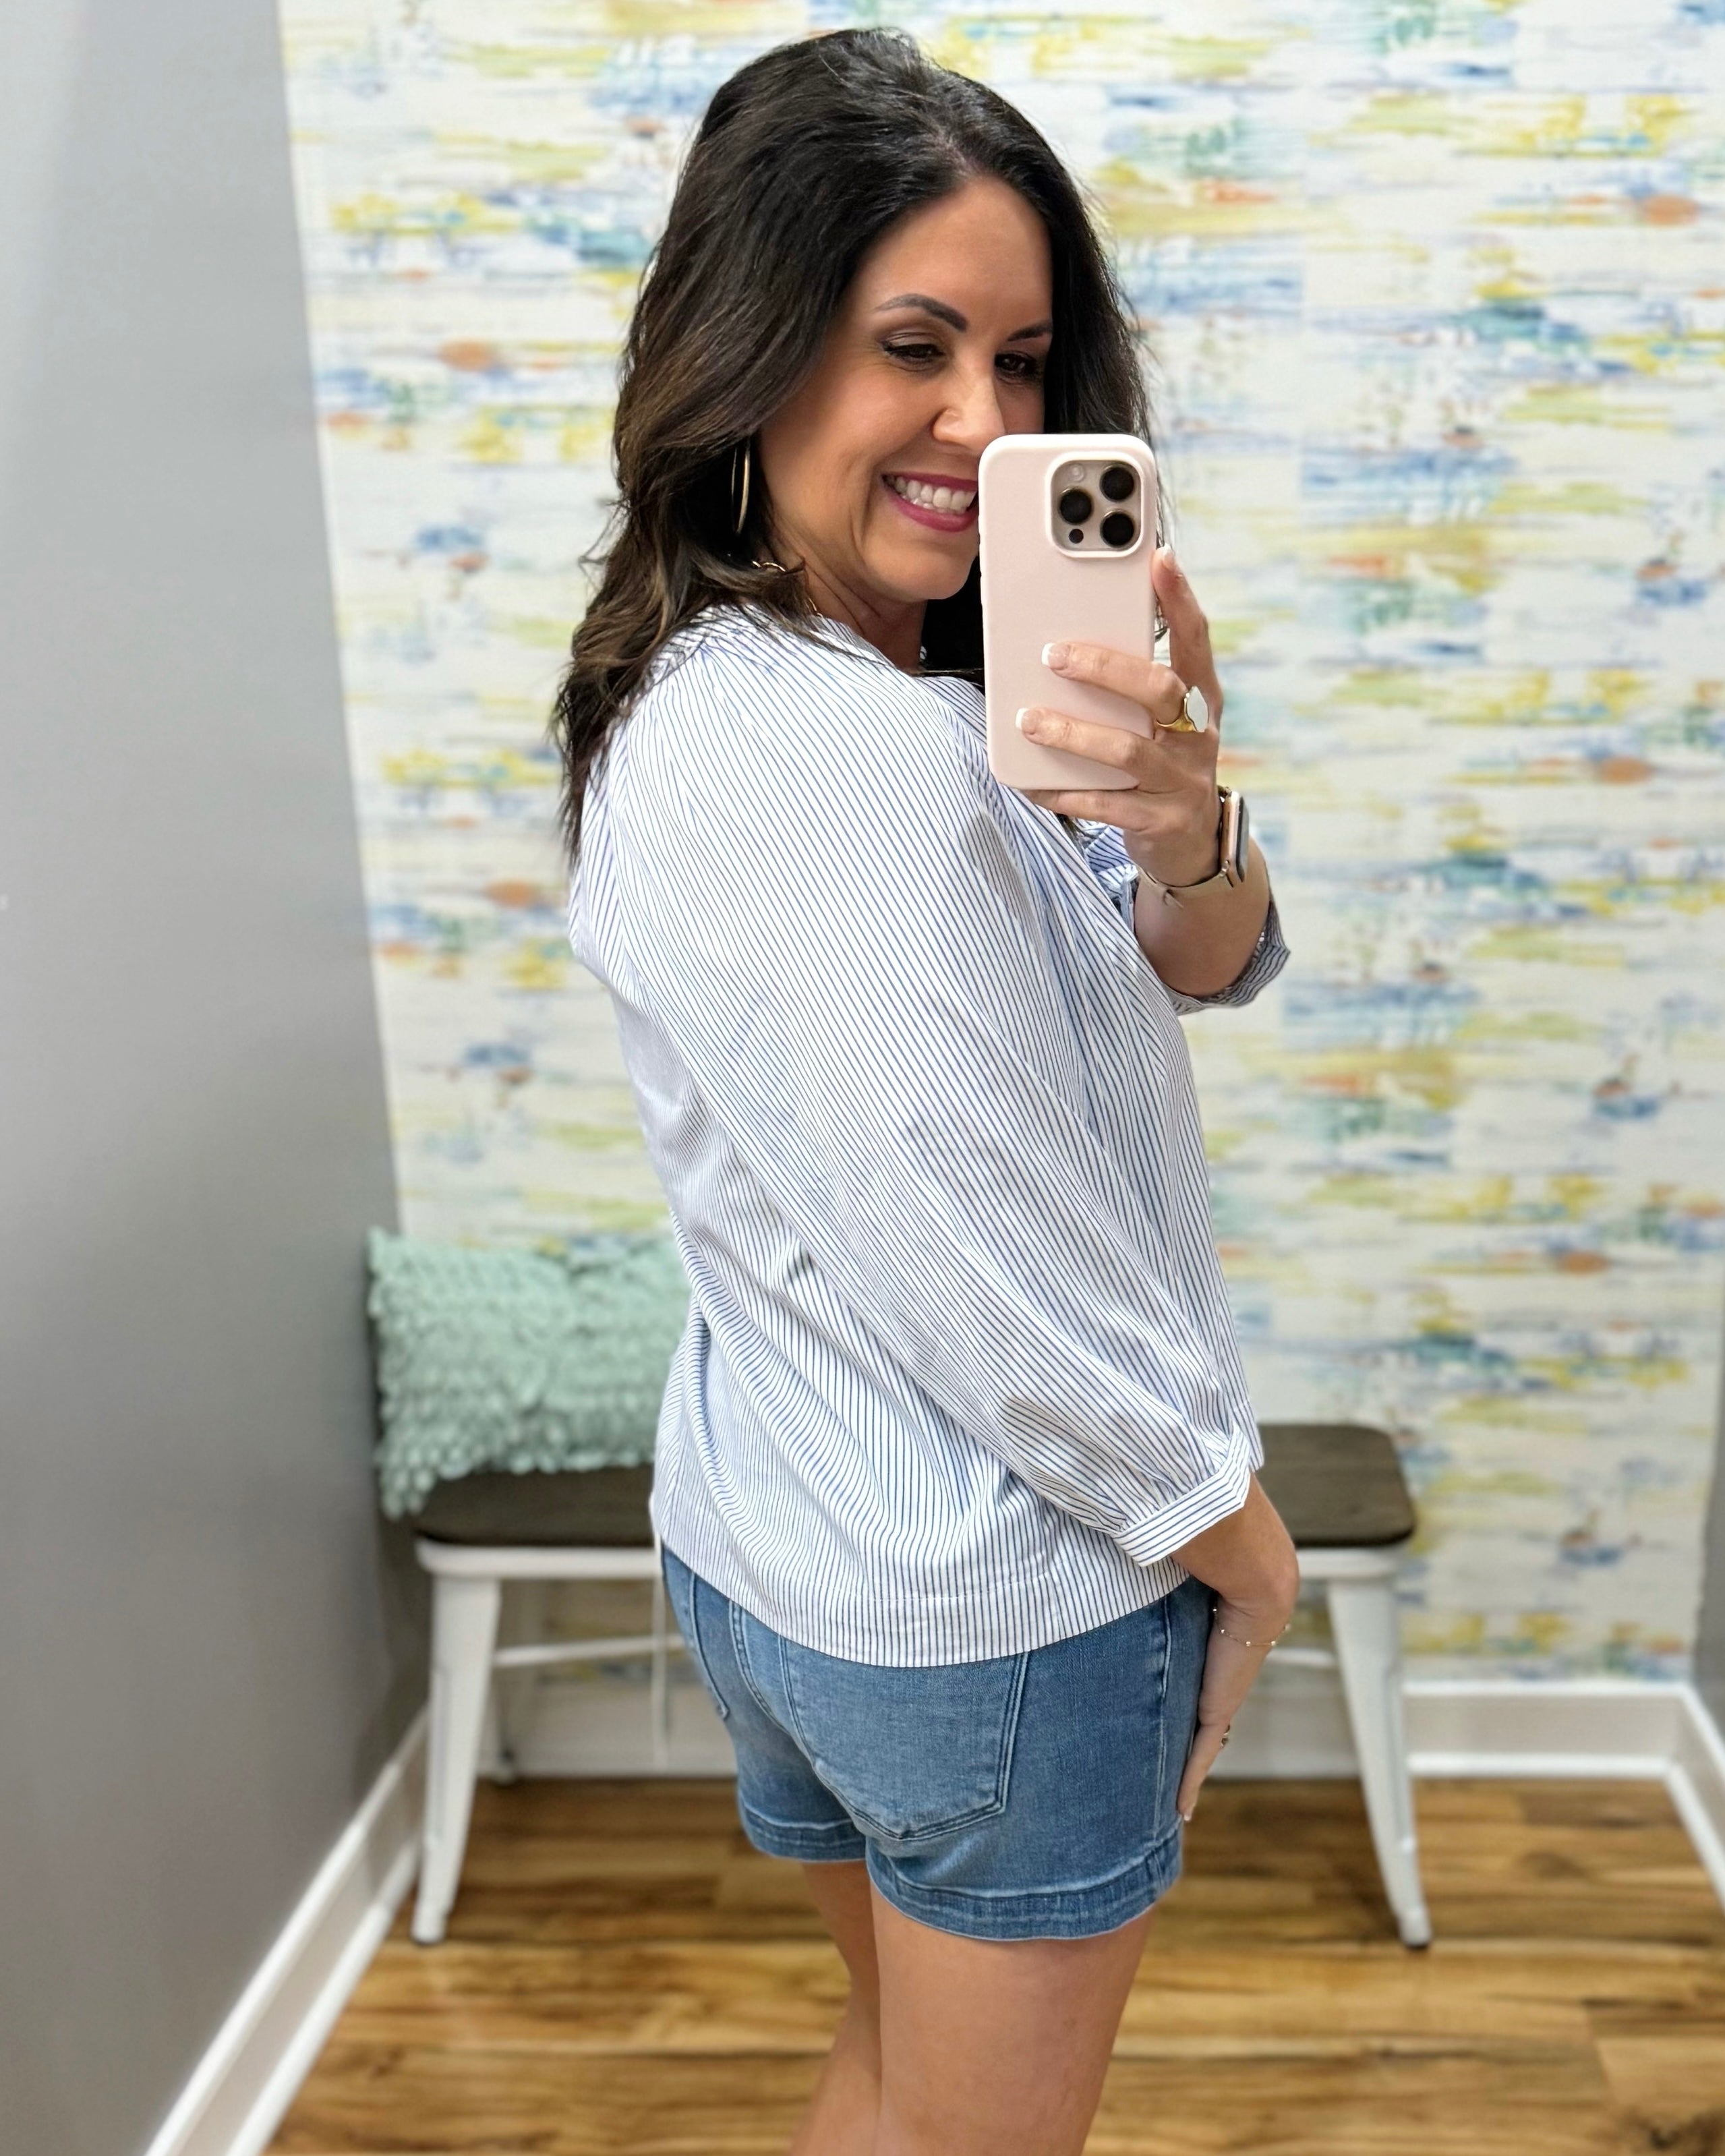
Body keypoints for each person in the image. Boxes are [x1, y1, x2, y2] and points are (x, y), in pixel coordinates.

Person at [556, 29, 1300, 2156]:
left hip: (791, 1558)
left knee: (893, 2077)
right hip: (998, 1604)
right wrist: (1234, 1538)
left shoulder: (780, 679)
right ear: (753, 339)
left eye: (1028, 355)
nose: (988, 425)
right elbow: (980, 1232)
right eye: (914, 347)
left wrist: (1184, 829)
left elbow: (1204, 970)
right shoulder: (854, 770)